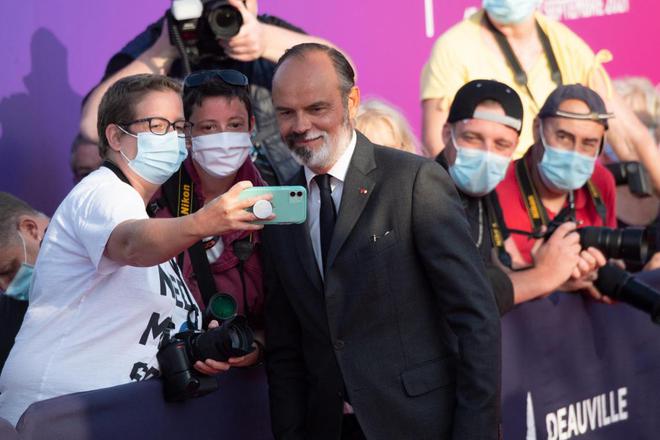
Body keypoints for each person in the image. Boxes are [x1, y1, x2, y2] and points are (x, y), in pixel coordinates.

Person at [0, 73, 268, 426]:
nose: (172, 138)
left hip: (112, 415)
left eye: (178, 126)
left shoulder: (147, 215)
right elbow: (129, 242)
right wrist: (207, 221)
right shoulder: (102, 192)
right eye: (157, 125)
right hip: (55, 413)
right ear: (115, 136)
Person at [264, 43, 500, 439]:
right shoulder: (281, 205)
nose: (301, 125)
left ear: (351, 101)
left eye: (317, 108)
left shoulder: (413, 182)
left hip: (421, 425)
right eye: (286, 112)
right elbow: (286, 346)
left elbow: (476, 319)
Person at [80, 0, 341, 186]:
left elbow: (342, 75)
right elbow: (92, 124)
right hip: (186, 197)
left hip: (276, 187)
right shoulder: (162, 39)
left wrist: (265, 41)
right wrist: (164, 51)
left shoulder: (267, 32)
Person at [420, 0, 660, 196]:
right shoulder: (453, 46)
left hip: (552, 191)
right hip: (487, 192)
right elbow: (437, 143)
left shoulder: (563, 42)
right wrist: (462, 204)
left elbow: (630, 134)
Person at [437, 79, 593, 313]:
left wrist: (564, 273)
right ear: (448, 133)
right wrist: (543, 276)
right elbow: (459, 292)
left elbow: (507, 265)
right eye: (472, 138)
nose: (486, 154)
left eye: (501, 144)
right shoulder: (425, 194)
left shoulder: (485, 192)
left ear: (515, 147)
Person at [150, 69, 265, 369]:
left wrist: (259, 345)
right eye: (209, 128)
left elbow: (288, 306)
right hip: (167, 362)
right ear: (187, 134)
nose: (224, 139)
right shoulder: (156, 197)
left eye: (235, 125)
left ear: (251, 126)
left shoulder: (271, 201)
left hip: (247, 376)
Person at [496, 84, 614, 300]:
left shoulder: (601, 181)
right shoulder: (497, 184)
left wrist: (602, 271)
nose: (574, 153)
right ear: (536, 128)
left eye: (589, 143)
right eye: (563, 137)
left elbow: (611, 257)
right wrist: (551, 278)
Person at [0, 192, 50, 373]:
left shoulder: (102, 270)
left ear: (30, 229)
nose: (5, 288)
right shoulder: (7, 312)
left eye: (6, 270)